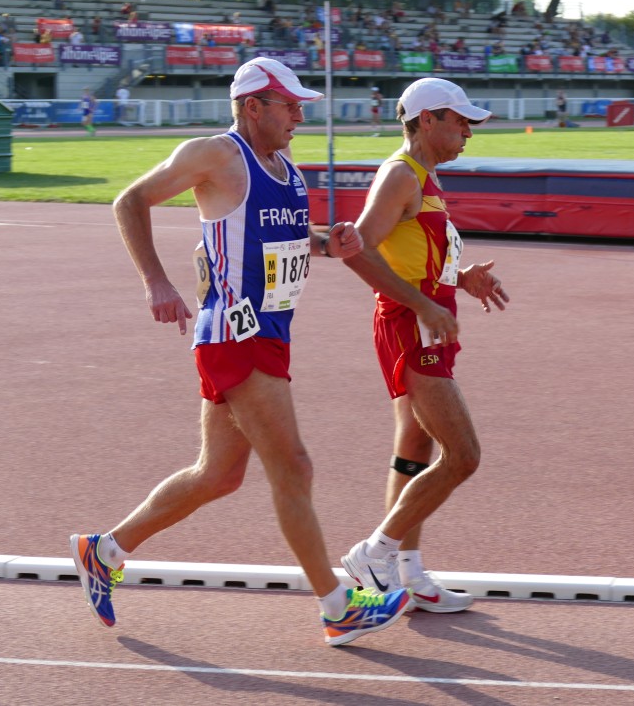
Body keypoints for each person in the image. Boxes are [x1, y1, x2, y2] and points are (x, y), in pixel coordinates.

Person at [69, 57, 411, 647]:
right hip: (236, 332)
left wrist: (330, 241)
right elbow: (130, 201)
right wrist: (157, 282)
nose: (299, 115)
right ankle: (337, 605)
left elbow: (277, 234)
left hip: (269, 333)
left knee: (219, 475)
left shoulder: (284, 167)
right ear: (253, 106)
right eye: (290, 105)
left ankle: (104, 550)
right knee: (294, 467)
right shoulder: (219, 156)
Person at [338, 78, 510, 613]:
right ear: (428, 119)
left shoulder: (424, 178)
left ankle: (408, 575)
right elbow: (354, 249)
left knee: (416, 447)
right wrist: (423, 305)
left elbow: (414, 255)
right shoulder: (399, 176)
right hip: (411, 325)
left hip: (424, 318)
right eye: (460, 122)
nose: (468, 133)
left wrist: (459, 280)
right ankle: (375, 553)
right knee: (463, 455)